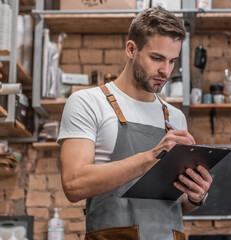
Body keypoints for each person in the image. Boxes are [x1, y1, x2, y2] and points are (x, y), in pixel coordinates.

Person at [57, 7, 213, 240]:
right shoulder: (88, 103)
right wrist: (152, 157)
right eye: (157, 58)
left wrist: (195, 196)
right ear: (132, 49)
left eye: (172, 61)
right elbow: (74, 184)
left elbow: (178, 205)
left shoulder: (175, 118)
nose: (165, 70)